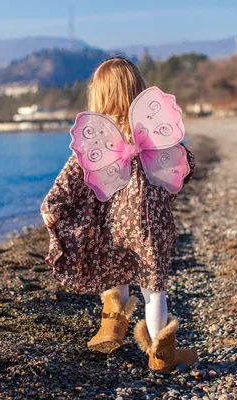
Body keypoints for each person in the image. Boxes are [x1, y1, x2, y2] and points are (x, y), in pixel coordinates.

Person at [40, 57, 197, 372]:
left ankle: (112, 323)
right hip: (152, 227)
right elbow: (184, 163)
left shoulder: (96, 136)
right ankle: (160, 355)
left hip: (112, 227)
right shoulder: (153, 131)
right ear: (137, 88)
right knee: (154, 289)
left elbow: (72, 175)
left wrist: (51, 205)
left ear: (99, 95)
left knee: (112, 271)